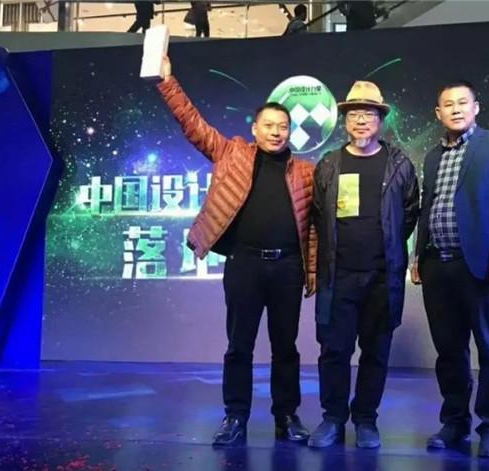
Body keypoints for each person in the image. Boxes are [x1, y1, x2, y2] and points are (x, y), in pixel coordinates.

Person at [155, 55, 317, 447]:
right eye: (269, 125)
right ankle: (235, 417)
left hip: (288, 268)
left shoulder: (306, 171)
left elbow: (314, 227)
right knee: (239, 346)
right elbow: (192, 125)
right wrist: (167, 81)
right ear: (255, 128)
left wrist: (312, 270)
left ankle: (287, 416)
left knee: (286, 348)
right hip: (244, 265)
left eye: (283, 127)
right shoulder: (232, 153)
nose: (276, 132)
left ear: (290, 131)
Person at [411, 80, 489, 457]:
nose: (456, 109)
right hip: (437, 267)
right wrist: (417, 256)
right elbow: (428, 208)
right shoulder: (432, 156)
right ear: (438, 113)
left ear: (476, 108)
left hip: (483, 267)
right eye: (449, 104)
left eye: (463, 102)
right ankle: (455, 422)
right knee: (449, 351)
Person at [307, 81, 419, 449]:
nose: (360, 120)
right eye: (354, 114)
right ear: (345, 121)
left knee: (376, 352)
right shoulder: (329, 164)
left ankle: (366, 420)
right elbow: (318, 214)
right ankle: (333, 419)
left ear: (380, 120)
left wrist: (387, 247)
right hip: (338, 277)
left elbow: (410, 213)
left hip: (382, 278)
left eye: (368, 114)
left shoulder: (399, 164)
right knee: (334, 351)